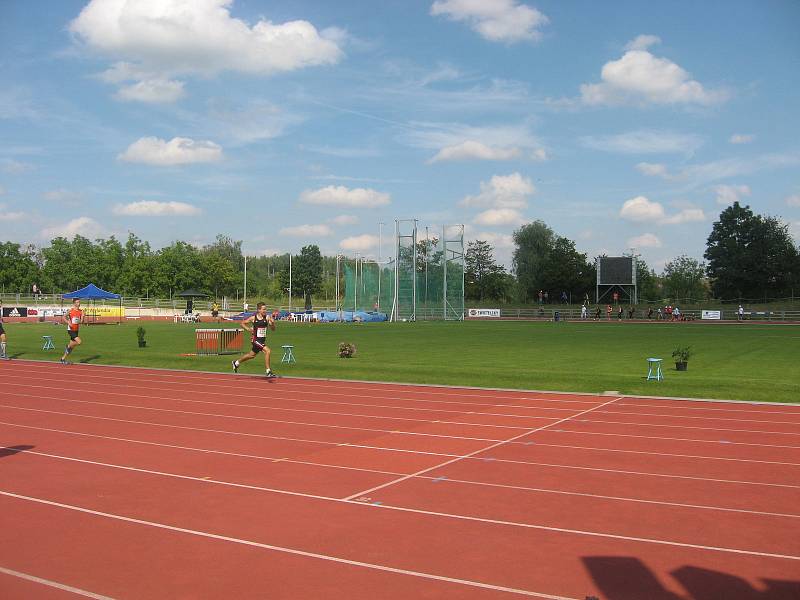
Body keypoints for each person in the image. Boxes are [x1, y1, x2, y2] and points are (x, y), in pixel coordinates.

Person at [232, 302, 276, 378]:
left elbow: (273, 329)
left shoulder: (267, 317)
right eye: (263, 309)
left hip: (262, 341)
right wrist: (249, 329)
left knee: (251, 355)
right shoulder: (253, 318)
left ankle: (236, 363)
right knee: (268, 351)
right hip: (255, 340)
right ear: (259, 310)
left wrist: (272, 324)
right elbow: (242, 323)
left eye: (265, 309)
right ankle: (268, 371)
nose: (265, 311)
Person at [60, 298, 83, 364]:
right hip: (71, 329)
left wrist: (83, 317)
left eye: (79, 302)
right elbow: (64, 317)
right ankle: (67, 346)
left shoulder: (81, 311)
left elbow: (81, 322)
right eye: (78, 302)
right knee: (79, 342)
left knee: (71, 347)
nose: (79, 303)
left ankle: (63, 359)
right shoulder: (70, 311)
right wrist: (68, 322)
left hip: (76, 330)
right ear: (74, 303)